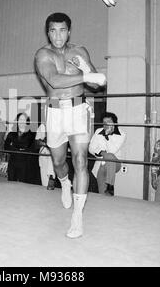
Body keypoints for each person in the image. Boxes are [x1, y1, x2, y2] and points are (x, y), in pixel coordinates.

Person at [34, 12, 106, 238]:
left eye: (62, 30)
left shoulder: (80, 51)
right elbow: (54, 80)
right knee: (58, 162)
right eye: (53, 30)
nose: (58, 35)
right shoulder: (42, 54)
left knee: (80, 160)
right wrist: (86, 76)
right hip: (55, 111)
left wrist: (87, 68)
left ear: (69, 31)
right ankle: (64, 183)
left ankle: (77, 216)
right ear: (48, 32)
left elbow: (98, 84)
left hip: (79, 110)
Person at [89, 112, 126, 196]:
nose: (105, 124)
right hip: (101, 164)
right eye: (104, 122)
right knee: (103, 194)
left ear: (114, 123)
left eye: (108, 121)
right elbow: (91, 148)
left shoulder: (122, 134)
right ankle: (108, 193)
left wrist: (107, 136)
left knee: (110, 156)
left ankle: (110, 185)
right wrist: (102, 152)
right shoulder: (98, 131)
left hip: (115, 163)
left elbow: (112, 150)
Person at [4, 113, 37, 183]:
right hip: (13, 161)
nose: (21, 121)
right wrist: (18, 149)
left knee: (23, 185)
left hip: (25, 162)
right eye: (20, 119)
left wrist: (13, 147)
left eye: (23, 119)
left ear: (27, 122)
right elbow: (6, 147)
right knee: (11, 183)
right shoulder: (11, 133)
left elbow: (30, 148)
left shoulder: (32, 134)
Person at [35, 122, 56, 190]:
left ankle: (51, 177)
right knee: (44, 181)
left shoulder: (59, 124)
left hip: (55, 152)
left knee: (51, 156)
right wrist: (44, 143)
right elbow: (36, 143)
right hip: (43, 152)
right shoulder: (42, 126)